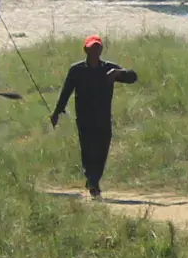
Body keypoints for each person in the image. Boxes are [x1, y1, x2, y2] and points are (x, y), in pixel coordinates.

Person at [49, 35, 138, 199]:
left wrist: (119, 73)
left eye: (97, 48)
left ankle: (94, 179)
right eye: (91, 49)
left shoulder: (109, 69)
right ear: (86, 50)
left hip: (103, 117)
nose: (95, 51)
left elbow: (133, 78)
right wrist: (56, 112)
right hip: (84, 117)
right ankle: (93, 182)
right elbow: (66, 92)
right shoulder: (76, 70)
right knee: (88, 150)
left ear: (101, 50)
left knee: (102, 149)